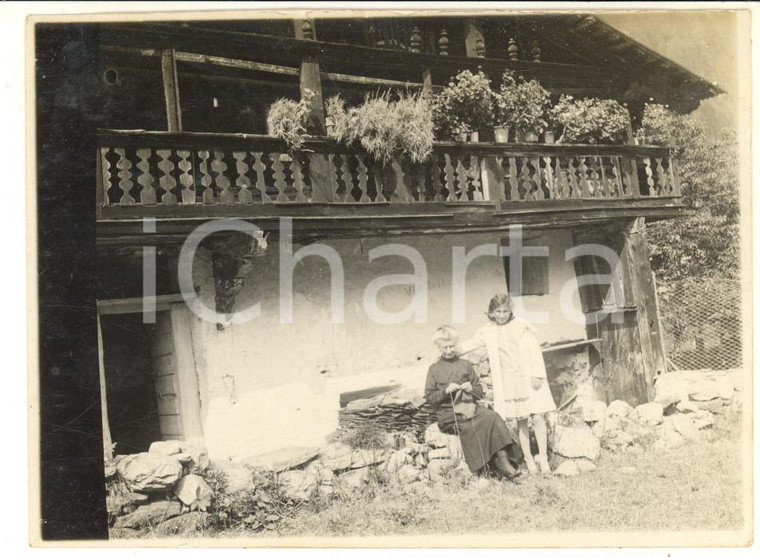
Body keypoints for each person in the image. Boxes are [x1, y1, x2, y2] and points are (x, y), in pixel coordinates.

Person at [460, 293, 556, 475]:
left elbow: (535, 351)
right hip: (510, 381)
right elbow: (471, 344)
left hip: (529, 377)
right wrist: (452, 350)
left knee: (537, 417)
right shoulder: (488, 331)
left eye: (505, 311)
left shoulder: (521, 327)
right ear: (492, 313)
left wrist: (537, 374)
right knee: (522, 420)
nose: (502, 315)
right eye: (498, 311)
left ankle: (543, 459)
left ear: (510, 311)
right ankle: (529, 460)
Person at [424, 325, 521, 480]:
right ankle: (487, 466)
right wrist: (445, 391)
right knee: (472, 425)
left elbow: (479, 391)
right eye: (444, 347)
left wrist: (471, 388)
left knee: (493, 416)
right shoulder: (434, 369)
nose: (449, 350)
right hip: (449, 414)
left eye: (451, 346)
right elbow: (429, 398)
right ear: (438, 347)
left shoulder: (465, 365)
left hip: (470, 407)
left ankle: (504, 462)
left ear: (456, 345)